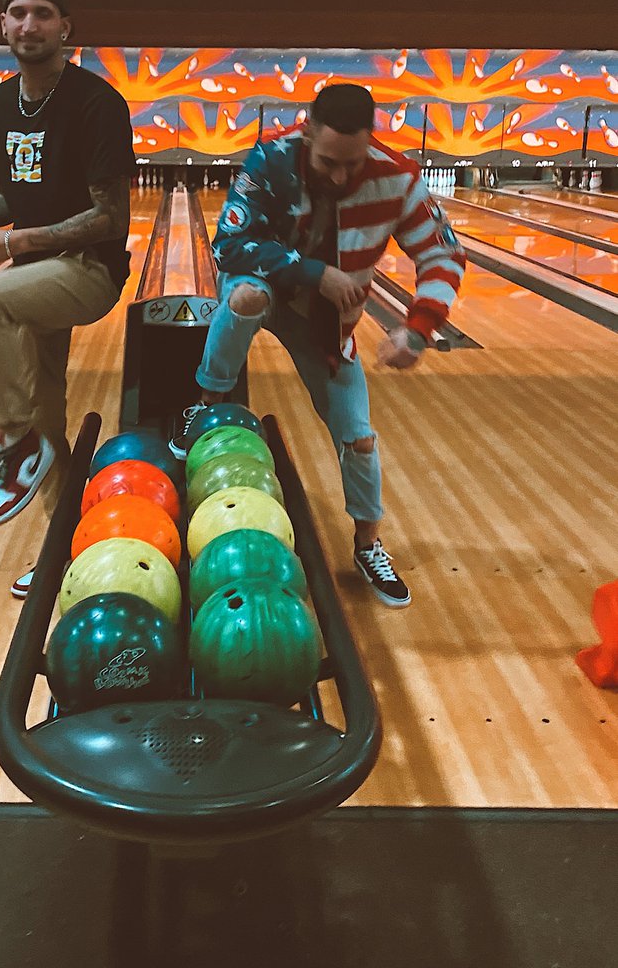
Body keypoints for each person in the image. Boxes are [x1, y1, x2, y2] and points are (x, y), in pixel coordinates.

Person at [170, 83, 466, 607]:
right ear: (307, 131)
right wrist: (316, 272)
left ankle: (368, 544)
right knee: (243, 297)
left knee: (359, 437)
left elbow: (442, 256)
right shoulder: (270, 159)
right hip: (266, 287)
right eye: (329, 162)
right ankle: (206, 401)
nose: (340, 177)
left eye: (352, 165)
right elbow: (230, 244)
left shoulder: (396, 178)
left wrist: (416, 330)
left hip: (327, 323)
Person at [0, 0, 135, 597]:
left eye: (43, 13)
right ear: (2, 24)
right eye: (18, 12)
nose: (29, 24)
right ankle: (63, 549)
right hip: (34, 275)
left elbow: (111, 216)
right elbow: (18, 190)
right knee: (50, 412)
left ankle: (13, 439)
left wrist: (15, 241)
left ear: (66, 27)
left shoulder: (97, 102)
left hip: (89, 272)